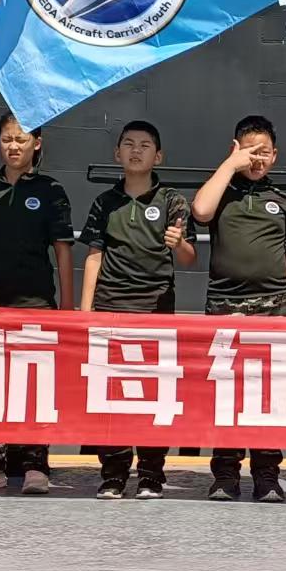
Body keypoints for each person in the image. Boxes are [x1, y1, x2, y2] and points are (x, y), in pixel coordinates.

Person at [190, 113, 286, 502]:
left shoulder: (283, 203)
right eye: (250, 151)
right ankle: (225, 474)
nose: (258, 159)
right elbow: (201, 211)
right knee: (227, 396)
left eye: (265, 152)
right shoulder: (221, 190)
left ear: (275, 156)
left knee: (268, 397)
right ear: (236, 149)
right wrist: (230, 165)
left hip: (274, 315)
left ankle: (267, 475)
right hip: (224, 311)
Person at [0, 111, 75, 495]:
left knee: (34, 385)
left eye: (21, 140)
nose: (13, 146)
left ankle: (35, 463)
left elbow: (62, 250)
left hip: (35, 303)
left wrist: (67, 307)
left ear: (36, 144)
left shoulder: (51, 190)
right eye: (7, 139)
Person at [79, 119, 197, 499]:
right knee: (111, 394)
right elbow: (94, 256)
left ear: (158, 156)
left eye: (144, 145)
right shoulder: (105, 203)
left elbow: (190, 258)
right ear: (117, 153)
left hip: (155, 311)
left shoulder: (172, 201)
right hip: (110, 309)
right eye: (128, 144)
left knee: (153, 393)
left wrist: (179, 243)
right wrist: (85, 312)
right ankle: (113, 474)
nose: (136, 151)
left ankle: (150, 473)